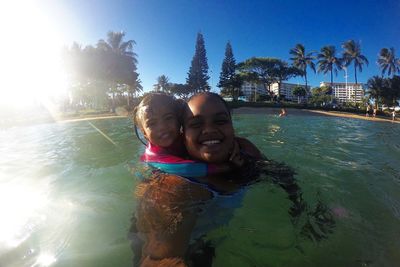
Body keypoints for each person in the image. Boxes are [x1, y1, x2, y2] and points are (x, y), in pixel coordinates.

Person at [131, 92, 333, 266]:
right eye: (196, 123)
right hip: (187, 241)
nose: (209, 130)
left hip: (208, 236)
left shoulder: (243, 150)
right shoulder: (173, 188)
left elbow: (283, 175)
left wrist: (308, 211)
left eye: (220, 121)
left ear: (231, 123)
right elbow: (156, 260)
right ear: (182, 133)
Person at [132, 93, 243, 178]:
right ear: (144, 133)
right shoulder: (153, 156)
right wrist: (227, 167)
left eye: (168, 118)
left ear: (179, 123)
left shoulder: (182, 138)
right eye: (152, 123)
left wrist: (235, 144)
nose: (162, 127)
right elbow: (186, 169)